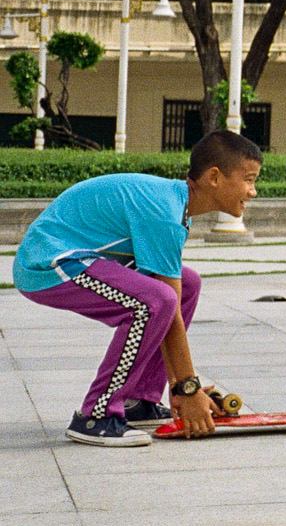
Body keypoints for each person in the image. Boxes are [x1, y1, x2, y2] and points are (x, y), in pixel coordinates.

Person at [11, 130, 264, 445]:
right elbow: (163, 305)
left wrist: (185, 387)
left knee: (186, 283)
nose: (253, 191)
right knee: (152, 301)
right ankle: (96, 415)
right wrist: (188, 388)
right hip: (46, 265)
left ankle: (140, 400)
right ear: (214, 177)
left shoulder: (175, 206)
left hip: (77, 259)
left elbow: (173, 302)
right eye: (249, 179)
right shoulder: (167, 214)